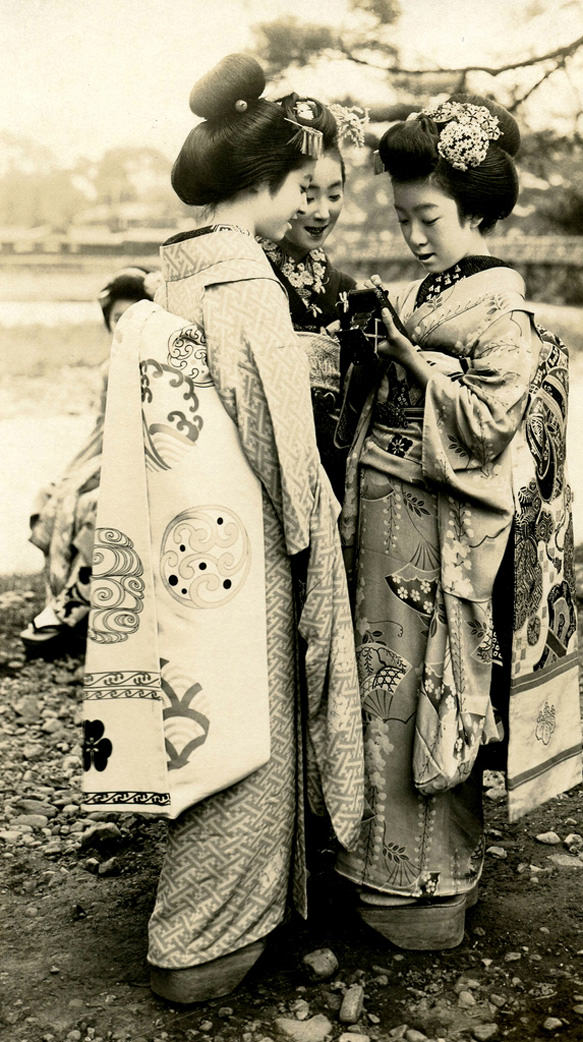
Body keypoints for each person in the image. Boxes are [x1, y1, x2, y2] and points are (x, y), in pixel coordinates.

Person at [80, 53, 364, 1004]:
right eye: (299, 186)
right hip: (248, 542)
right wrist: (317, 539)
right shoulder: (246, 287)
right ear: (264, 186)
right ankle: (208, 940)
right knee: (258, 733)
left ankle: (233, 921)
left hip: (186, 543)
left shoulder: (178, 274)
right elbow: (284, 446)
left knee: (203, 720)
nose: (305, 206)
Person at [335, 95, 581, 949]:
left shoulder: (502, 310)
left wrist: (410, 361)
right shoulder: (434, 290)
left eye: (428, 217)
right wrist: (379, 353)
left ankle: (430, 885)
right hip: (386, 518)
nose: (412, 237)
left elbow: (488, 424)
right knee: (378, 690)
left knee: (427, 694)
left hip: (442, 529)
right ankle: (371, 869)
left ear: (475, 208)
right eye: (402, 218)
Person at [21, 266, 159, 654]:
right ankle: (67, 599)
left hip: (149, 461)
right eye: (117, 320)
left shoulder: (160, 368)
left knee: (96, 507)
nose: (125, 328)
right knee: (56, 496)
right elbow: (101, 433)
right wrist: (75, 475)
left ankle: (72, 608)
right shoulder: (108, 369)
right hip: (112, 456)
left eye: (134, 319)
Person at [259, 98, 367, 499]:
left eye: (334, 196)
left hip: (333, 469)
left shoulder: (345, 287)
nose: (321, 212)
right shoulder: (253, 277)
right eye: (307, 193)